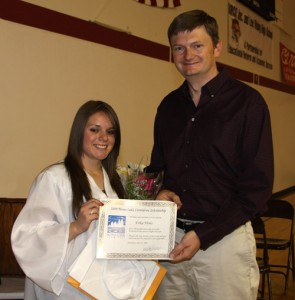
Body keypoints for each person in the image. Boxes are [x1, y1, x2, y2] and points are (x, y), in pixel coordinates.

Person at [146, 10, 274, 300]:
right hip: (171, 242)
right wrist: (160, 190)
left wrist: (205, 235)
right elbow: (158, 169)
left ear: (217, 47)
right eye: (179, 48)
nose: (187, 54)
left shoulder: (247, 104)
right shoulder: (168, 107)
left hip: (224, 244)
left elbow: (257, 188)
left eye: (197, 45)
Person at [11, 100, 126, 299]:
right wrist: (75, 226)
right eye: (94, 129)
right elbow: (27, 238)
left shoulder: (115, 183)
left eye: (110, 131)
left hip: (107, 285)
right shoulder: (54, 179)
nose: (103, 138)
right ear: (79, 132)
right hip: (67, 289)